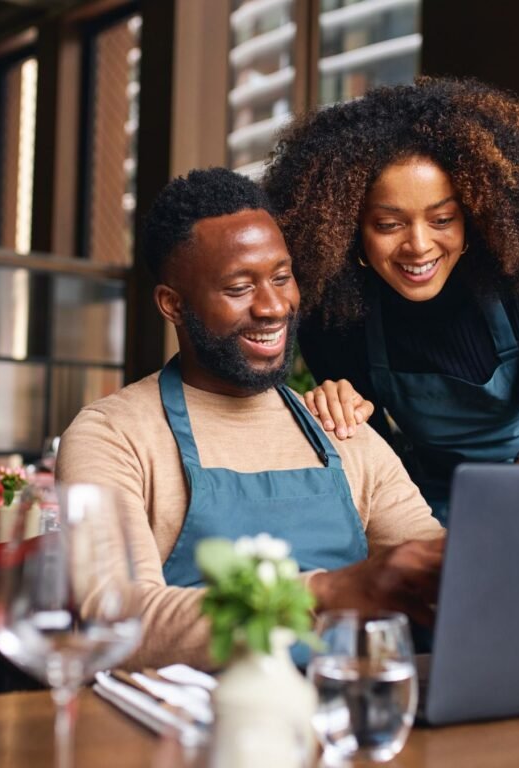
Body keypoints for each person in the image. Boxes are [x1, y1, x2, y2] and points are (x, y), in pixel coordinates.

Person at [56, 168, 443, 671]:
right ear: (173, 305)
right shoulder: (113, 436)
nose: (274, 307)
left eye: (282, 278)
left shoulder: (340, 426)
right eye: (240, 287)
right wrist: (325, 592)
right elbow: (116, 617)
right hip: (189, 718)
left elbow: (431, 567)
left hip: (347, 708)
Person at [263, 77, 519, 523]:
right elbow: (376, 468)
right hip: (434, 494)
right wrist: (339, 416)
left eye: (442, 219)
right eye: (389, 225)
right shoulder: (334, 311)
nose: (419, 246)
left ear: (474, 215)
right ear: (349, 228)